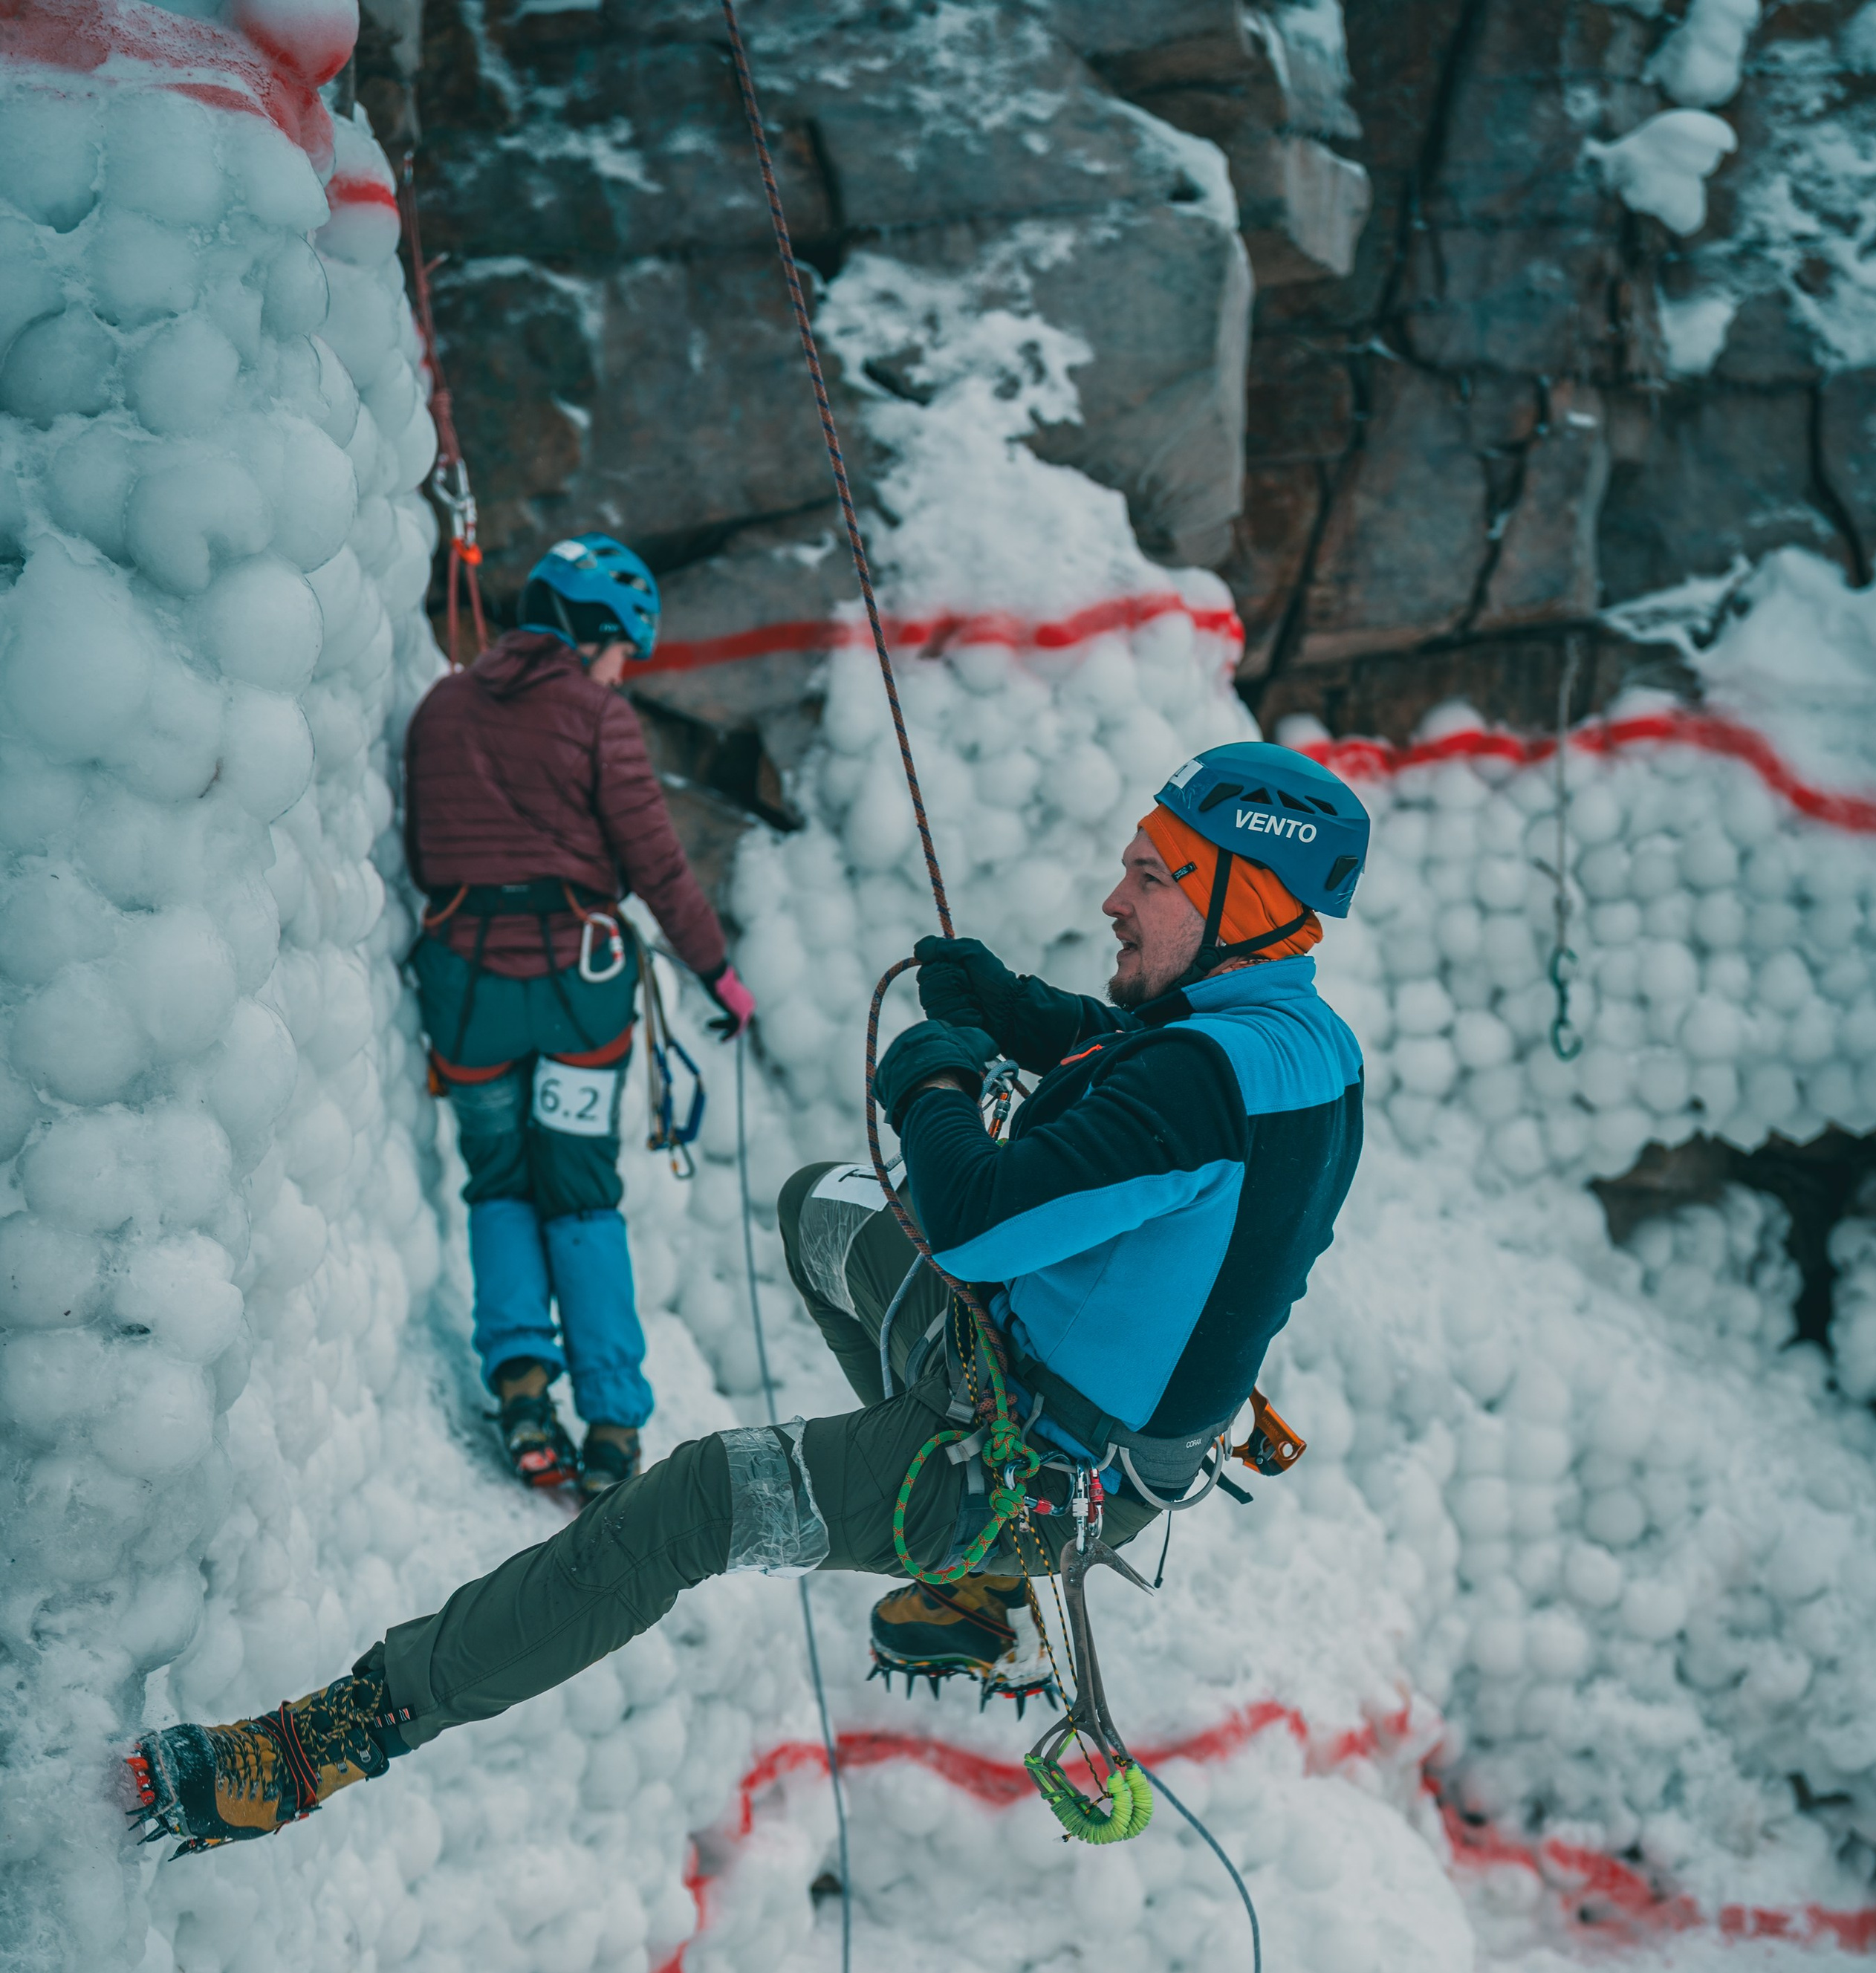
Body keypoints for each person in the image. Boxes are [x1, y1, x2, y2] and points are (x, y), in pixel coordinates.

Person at [127, 744, 1370, 1853]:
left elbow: (977, 1219)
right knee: (823, 1209)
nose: (1116, 897)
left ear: (1237, 899)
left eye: (1152, 876)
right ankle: (977, 1574)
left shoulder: (1200, 1081)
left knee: (695, 1503)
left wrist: (931, 1080)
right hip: (1061, 1392)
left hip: (1036, 1469)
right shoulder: (1297, 1046)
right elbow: (1144, 1070)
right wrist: (1007, 1011)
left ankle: (324, 1742)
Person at [406, 533, 756, 1500]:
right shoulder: (598, 718)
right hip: (575, 999)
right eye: (620, 650)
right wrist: (719, 978)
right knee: (580, 1194)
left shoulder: (439, 708)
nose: (619, 672)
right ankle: (611, 1427)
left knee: (499, 1185)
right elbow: (659, 868)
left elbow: (426, 854)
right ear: (591, 630)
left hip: (466, 1001)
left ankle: (522, 1392)